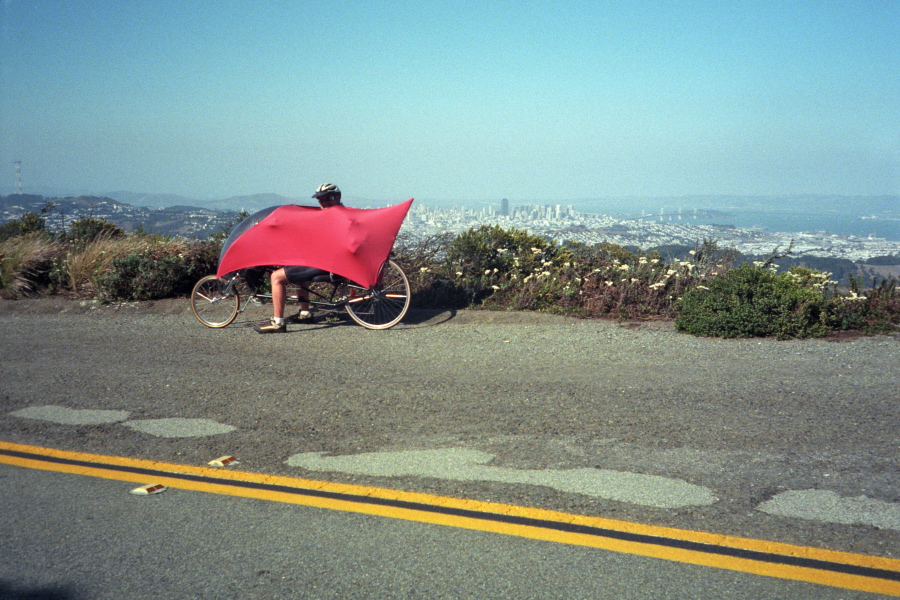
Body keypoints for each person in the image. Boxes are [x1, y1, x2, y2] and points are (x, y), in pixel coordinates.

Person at [255, 183, 343, 334]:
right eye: (320, 200)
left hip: (323, 263)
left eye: (327, 199)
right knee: (298, 267)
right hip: (329, 261)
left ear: (337, 197)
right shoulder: (343, 213)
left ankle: (278, 323)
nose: (323, 203)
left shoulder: (331, 216)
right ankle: (305, 313)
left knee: (276, 277)